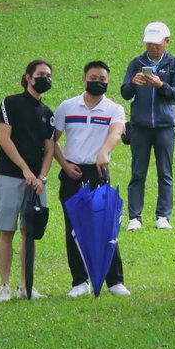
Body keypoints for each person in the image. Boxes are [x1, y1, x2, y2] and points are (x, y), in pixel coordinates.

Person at [52, 62, 129, 297]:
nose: (98, 81)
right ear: (84, 79)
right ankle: (79, 282)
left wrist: (104, 152)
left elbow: (116, 132)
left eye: (103, 78)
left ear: (108, 81)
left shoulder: (114, 109)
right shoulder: (67, 107)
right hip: (72, 172)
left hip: (98, 171)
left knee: (105, 226)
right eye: (93, 77)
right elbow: (51, 140)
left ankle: (115, 281)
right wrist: (64, 164)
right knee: (74, 228)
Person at [0, 60, 55, 301]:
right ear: (28, 77)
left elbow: (49, 150)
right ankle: (5, 285)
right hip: (9, 175)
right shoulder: (10, 103)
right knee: (6, 230)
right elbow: (4, 139)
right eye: (41, 74)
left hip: (36, 183)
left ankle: (26, 285)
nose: (45, 79)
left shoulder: (48, 114)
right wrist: (25, 170)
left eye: (48, 75)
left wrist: (41, 177)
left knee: (30, 232)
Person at [121, 21, 175, 230]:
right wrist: (134, 83)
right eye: (149, 43)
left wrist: (160, 85)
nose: (152, 47)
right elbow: (125, 93)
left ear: (167, 42)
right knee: (138, 172)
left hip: (165, 126)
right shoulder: (136, 63)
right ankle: (135, 217)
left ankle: (163, 216)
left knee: (165, 172)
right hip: (140, 127)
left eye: (157, 43)